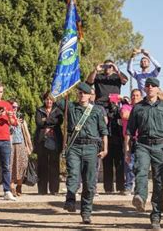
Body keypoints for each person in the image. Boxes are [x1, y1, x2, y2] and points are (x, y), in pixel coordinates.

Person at [124, 77, 163, 230]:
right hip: (142, 144)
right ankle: (140, 198)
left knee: (159, 182)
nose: (150, 87)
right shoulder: (138, 107)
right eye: (147, 85)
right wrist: (127, 150)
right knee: (141, 171)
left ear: (158, 89)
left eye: (153, 86)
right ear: (145, 88)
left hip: (161, 147)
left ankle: (156, 216)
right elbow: (129, 131)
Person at [60, 82, 108, 224]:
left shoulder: (97, 110)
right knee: (73, 174)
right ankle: (70, 199)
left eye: (84, 93)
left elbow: (104, 131)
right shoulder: (71, 107)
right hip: (74, 146)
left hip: (91, 148)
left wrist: (105, 149)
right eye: (80, 93)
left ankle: (86, 212)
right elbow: (56, 100)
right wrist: (64, 88)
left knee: (89, 182)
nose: (82, 95)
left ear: (89, 95)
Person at [87, 60, 127, 194]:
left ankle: (121, 187)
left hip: (115, 111)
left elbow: (125, 80)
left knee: (119, 158)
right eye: (106, 66)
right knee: (107, 158)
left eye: (110, 66)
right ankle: (108, 188)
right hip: (101, 108)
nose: (108, 68)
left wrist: (117, 69)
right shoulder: (98, 77)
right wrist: (96, 69)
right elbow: (89, 81)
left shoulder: (116, 77)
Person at [34, 91, 63, 195]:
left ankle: (54, 189)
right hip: (42, 141)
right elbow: (39, 122)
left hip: (55, 141)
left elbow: (59, 121)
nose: (49, 101)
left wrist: (46, 120)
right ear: (44, 100)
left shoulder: (58, 110)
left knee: (54, 166)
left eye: (51, 99)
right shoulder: (39, 109)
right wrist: (51, 121)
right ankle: (42, 190)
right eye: (47, 99)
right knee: (42, 166)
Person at [8, 99, 33, 197]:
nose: (15, 109)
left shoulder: (21, 117)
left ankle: (19, 185)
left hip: (21, 144)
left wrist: (28, 146)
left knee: (22, 165)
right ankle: (11, 187)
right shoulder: (7, 117)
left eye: (16, 107)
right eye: (13, 107)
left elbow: (26, 133)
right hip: (10, 144)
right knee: (11, 166)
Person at [121, 89, 142, 194]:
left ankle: (139, 187)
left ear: (141, 97)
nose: (135, 97)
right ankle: (128, 186)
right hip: (129, 139)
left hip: (141, 139)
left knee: (140, 165)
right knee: (129, 163)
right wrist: (139, 115)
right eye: (133, 95)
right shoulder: (126, 106)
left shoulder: (144, 107)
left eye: (137, 95)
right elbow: (124, 115)